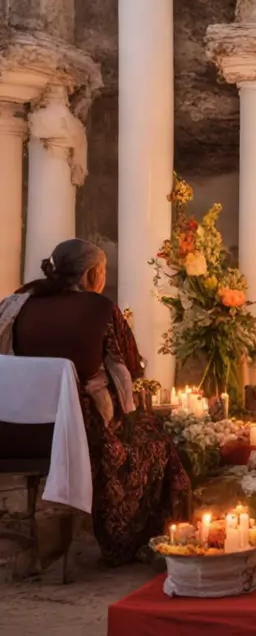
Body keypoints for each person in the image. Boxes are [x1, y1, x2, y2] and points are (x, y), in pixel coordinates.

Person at [0, 239, 189, 566]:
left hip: (11, 432)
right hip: (80, 432)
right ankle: (135, 538)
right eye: (102, 270)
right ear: (91, 274)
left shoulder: (14, 305)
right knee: (157, 443)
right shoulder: (99, 308)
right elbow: (132, 364)